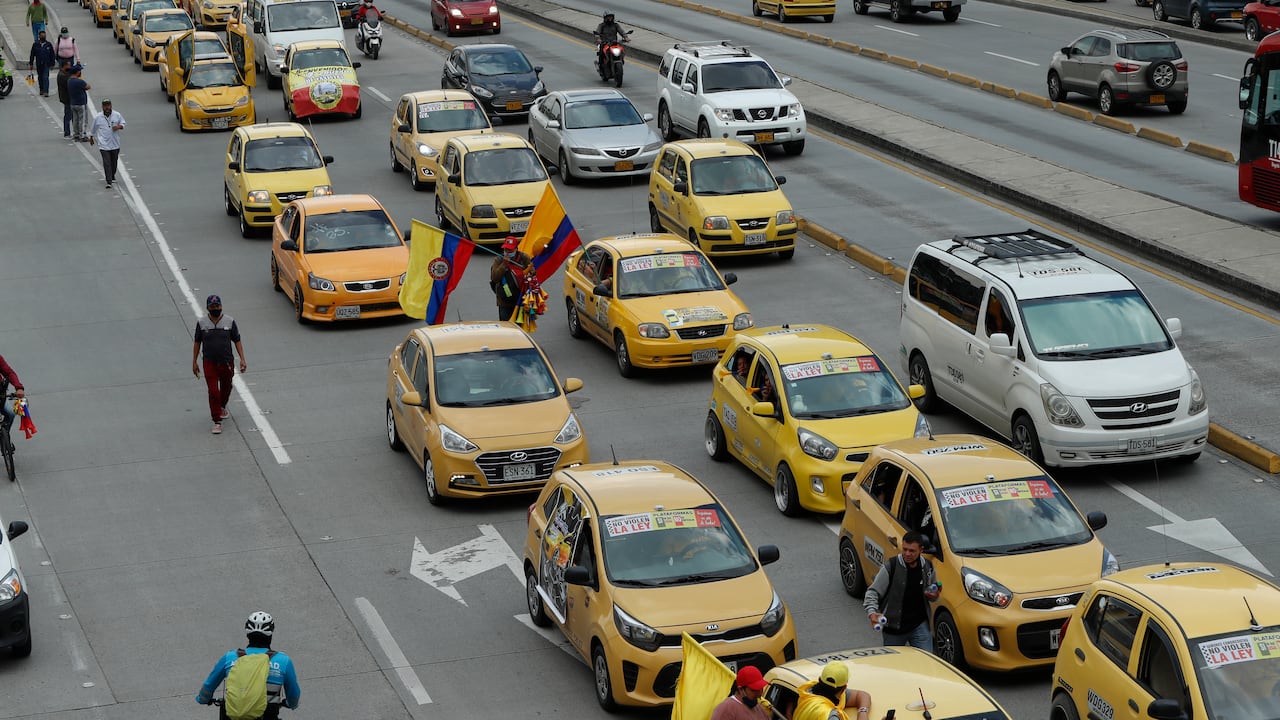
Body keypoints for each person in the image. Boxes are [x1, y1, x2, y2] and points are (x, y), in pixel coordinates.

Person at [196, 612, 301, 718]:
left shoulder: (230, 658)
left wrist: (203, 699)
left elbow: (208, 687)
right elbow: (293, 695)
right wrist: (289, 704)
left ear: (247, 634)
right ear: (271, 633)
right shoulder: (283, 661)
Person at [863, 530, 940, 651]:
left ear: (921, 550)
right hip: (893, 629)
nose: (907, 553)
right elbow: (872, 592)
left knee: (926, 663)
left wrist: (934, 594)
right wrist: (872, 612)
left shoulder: (927, 566)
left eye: (912, 550)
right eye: (904, 549)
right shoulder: (891, 566)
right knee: (894, 666)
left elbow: (933, 592)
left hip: (919, 625)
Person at [192, 294, 247, 435]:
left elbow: (237, 340)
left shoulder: (229, 321)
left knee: (227, 386)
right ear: (207, 308)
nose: (215, 308)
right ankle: (217, 421)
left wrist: (242, 359)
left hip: (227, 362)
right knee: (213, 391)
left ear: (221, 306)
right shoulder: (202, 323)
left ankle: (222, 406)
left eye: (217, 306)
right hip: (209, 362)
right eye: (212, 306)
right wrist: (194, 361)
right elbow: (197, 342)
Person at [793, 661, 873, 720]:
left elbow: (862, 695)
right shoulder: (829, 716)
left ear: (820, 679)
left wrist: (863, 712)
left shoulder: (808, 691)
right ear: (844, 688)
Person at [490, 236, 531, 321]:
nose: (507, 253)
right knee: (506, 327)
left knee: (520, 328)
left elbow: (532, 273)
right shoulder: (498, 260)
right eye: (506, 250)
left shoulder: (524, 258)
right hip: (504, 301)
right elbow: (495, 278)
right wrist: (504, 265)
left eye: (510, 250)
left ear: (516, 249)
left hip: (520, 299)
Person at [89, 98, 125, 189]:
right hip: (103, 144)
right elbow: (93, 128)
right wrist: (91, 137)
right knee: (107, 162)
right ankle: (108, 181)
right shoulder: (98, 117)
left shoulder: (117, 115)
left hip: (115, 143)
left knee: (114, 162)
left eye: (108, 105)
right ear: (102, 107)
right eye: (105, 106)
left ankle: (112, 175)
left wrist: (118, 127)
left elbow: (123, 123)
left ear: (111, 106)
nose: (107, 107)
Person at [0, 355, 25, 429]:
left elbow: (9, 373)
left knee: (10, 413)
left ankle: (5, 436)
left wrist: (19, 388)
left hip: (0, 395)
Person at [28, 29, 55, 97]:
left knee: (45, 77)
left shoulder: (49, 45)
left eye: (44, 35)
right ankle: (41, 89)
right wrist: (31, 63)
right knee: (40, 77)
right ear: (39, 36)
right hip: (39, 63)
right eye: (42, 35)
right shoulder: (35, 44)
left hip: (46, 63)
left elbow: (52, 55)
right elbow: (32, 54)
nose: (43, 37)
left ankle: (46, 91)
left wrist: (52, 64)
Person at [67, 64, 90, 142]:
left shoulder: (69, 81)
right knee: (82, 120)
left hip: (73, 103)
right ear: (77, 72)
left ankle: (76, 134)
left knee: (75, 119)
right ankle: (83, 135)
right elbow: (88, 86)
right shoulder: (79, 81)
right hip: (81, 103)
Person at [56, 59, 72, 138]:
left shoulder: (64, 73)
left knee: (70, 115)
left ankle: (68, 131)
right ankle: (67, 132)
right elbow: (69, 82)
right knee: (68, 115)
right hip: (67, 98)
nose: (70, 66)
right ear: (64, 66)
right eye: (68, 65)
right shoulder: (62, 75)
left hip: (67, 97)